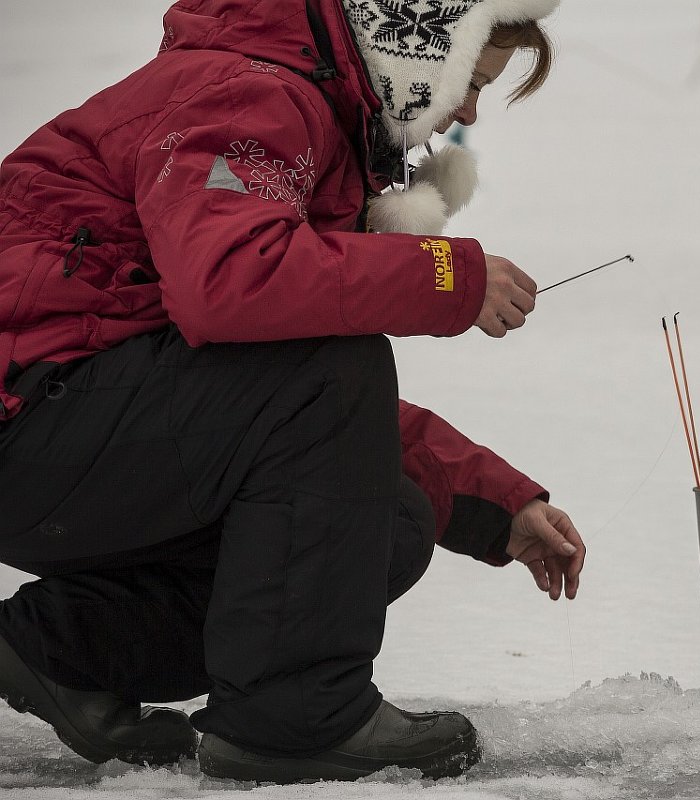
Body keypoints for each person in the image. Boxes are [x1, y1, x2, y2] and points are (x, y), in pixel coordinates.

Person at [0, 0, 584, 784]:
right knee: (336, 370)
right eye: (468, 82)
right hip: (29, 419)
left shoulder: (302, 103)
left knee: (391, 518)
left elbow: (288, 407)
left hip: (65, 422)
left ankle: (59, 650)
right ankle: (295, 719)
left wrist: (491, 502)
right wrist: (444, 277)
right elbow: (229, 288)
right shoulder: (251, 95)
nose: (468, 113)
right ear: (412, 49)